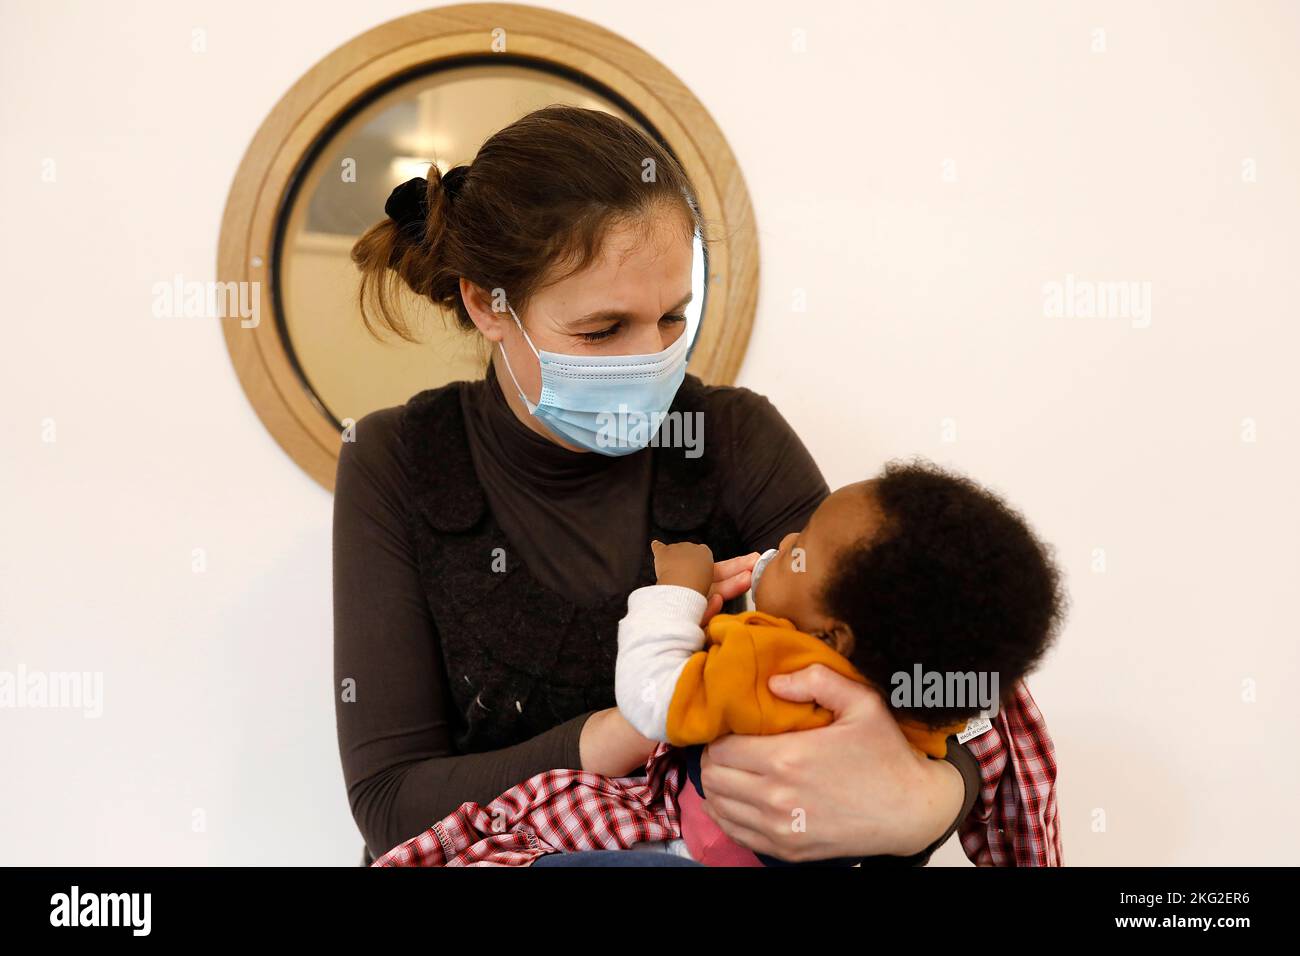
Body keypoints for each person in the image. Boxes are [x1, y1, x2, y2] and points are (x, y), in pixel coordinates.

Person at [334, 104, 985, 867]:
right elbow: (390, 805)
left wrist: (925, 803)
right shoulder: (398, 459)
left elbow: (929, 695)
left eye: (672, 318)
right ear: (488, 304)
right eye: (603, 330)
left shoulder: (735, 437)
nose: (650, 361)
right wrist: (651, 713)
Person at [615, 460, 1067, 865]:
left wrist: (678, 591)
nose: (788, 539)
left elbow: (650, 696)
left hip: (692, 851)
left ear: (830, 636)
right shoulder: (920, 708)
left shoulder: (772, 660)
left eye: (798, 552)